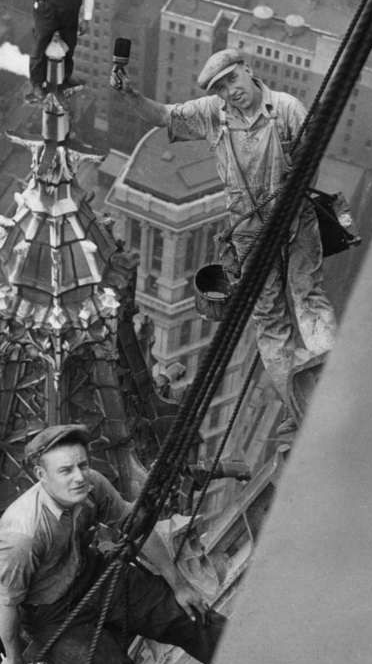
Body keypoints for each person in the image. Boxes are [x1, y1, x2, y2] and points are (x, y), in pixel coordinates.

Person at [0, 423, 225, 664]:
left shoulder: (92, 486)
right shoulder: (22, 535)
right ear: (41, 476)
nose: (78, 477)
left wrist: (178, 584)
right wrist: (13, 662)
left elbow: (134, 526)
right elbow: (7, 603)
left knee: (189, 618)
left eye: (82, 465)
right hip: (56, 616)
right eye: (65, 470)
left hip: (96, 576)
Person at [113, 47, 337, 415]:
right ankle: (299, 408)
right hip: (248, 232)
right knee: (269, 319)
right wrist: (128, 94)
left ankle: (329, 379)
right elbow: (162, 116)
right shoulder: (212, 116)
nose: (230, 91)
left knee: (307, 296)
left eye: (232, 79)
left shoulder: (287, 109)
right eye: (220, 87)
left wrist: (287, 196)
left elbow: (312, 160)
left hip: (295, 220)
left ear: (247, 71)